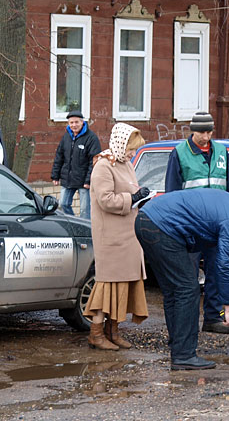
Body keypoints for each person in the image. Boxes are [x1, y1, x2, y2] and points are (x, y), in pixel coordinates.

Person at [134, 188, 229, 370]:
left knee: (174, 291)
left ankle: (179, 348)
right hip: (160, 227)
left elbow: (216, 256)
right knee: (187, 290)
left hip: (146, 219)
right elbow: (224, 265)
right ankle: (184, 355)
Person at [165, 111, 229, 335]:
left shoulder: (222, 152)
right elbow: (172, 192)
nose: (206, 137)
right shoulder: (179, 153)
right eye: (201, 132)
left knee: (216, 271)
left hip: (216, 225)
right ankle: (186, 321)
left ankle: (213, 318)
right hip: (190, 227)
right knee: (188, 275)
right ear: (192, 131)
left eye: (209, 132)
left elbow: (228, 186)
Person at [82, 123, 150, 351]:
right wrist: (132, 199)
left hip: (128, 235)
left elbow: (129, 193)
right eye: (131, 149)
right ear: (121, 144)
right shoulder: (103, 166)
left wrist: (141, 198)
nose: (132, 154)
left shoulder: (125, 164)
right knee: (108, 284)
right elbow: (105, 199)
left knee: (123, 285)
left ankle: (113, 331)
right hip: (110, 236)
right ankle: (96, 333)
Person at [51, 110, 102, 219]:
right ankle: (73, 224)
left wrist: (88, 180)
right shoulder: (66, 137)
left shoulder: (91, 138)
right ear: (68, 124)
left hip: (84, 181)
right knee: (63, 204)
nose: (74, 125)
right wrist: (55, 176)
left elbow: (94, 160)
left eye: (76, 122)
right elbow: (59, 156)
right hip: (68, 179)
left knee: (85, 210)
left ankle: (85, 231)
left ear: (82, 122)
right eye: (71, 122)